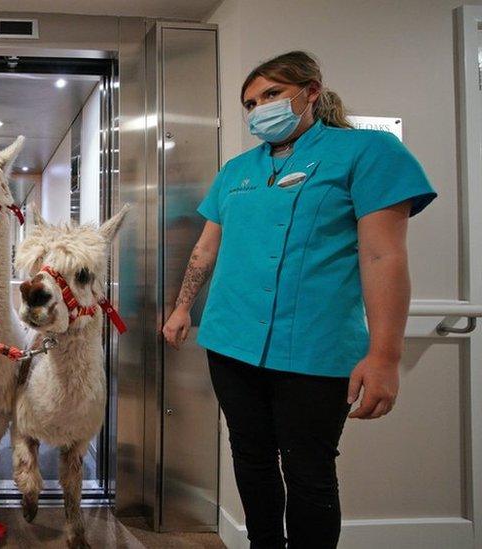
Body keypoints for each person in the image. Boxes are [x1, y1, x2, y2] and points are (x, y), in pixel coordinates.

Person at [162, 51, 436, 548]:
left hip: (315, 350)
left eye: (271, 94)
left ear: (310, 91)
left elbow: (383, 259)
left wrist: (385, 356)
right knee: (250, 457)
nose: (259, 108)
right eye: (250, 102)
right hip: (230, 342)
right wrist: (183, 306)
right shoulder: (236, 170)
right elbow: (206, 248)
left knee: (309, 473)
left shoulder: (368, 152)